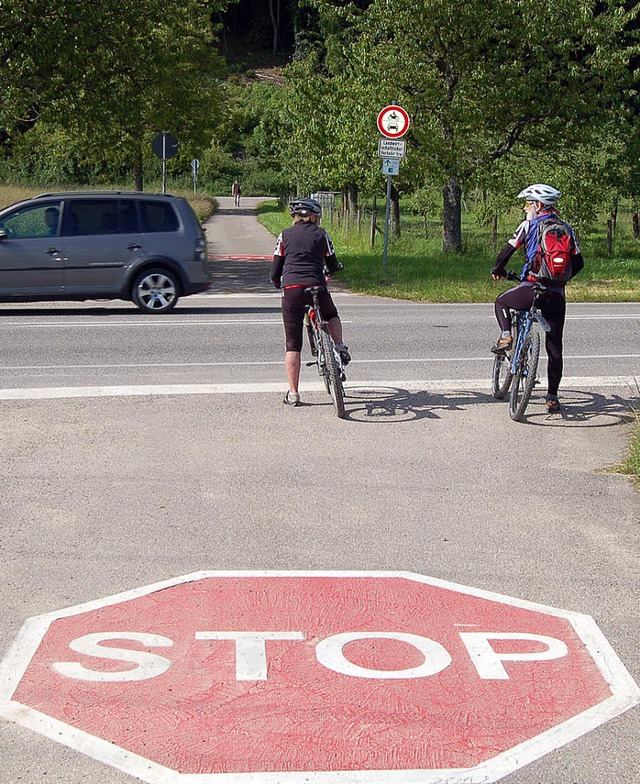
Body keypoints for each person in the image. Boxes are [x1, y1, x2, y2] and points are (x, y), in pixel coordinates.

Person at [491, 183, 584, 413]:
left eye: (528, 204)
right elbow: (579, 263)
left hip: (532, 287)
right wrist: (561, 279)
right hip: (556, 294)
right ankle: (552, 397)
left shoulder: (529, 225)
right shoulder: (567, 229)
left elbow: (507, 251)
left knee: (501, 301)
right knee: (555, 346)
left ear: (539, 205)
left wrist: (498, 270)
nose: (525, 208)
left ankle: (506, 337)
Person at [270, 197, 350, 407]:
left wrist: (277, 282)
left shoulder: (284, 235)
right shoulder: (322, 235)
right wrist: (330, 272)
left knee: (293, 344)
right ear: (314, 216)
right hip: (316, 284)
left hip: (292, 289)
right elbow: (332, 262)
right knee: (331, 314)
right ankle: (339, 347)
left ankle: (294, 393)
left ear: (295, 216)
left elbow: (275, 268)